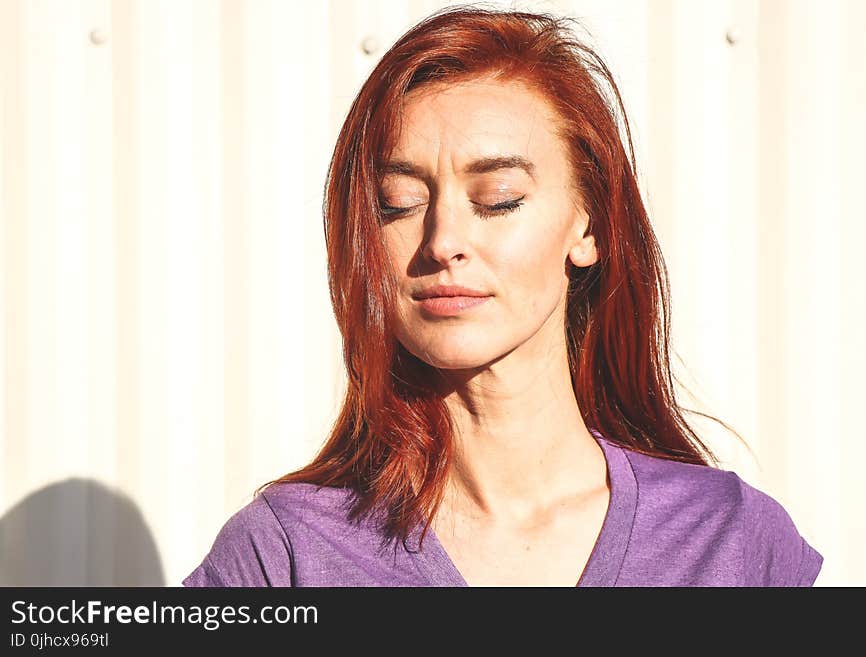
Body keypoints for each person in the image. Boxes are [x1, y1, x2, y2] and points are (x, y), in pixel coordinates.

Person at [183, 5, 823, 587]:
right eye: (397, 204)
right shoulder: (284, 555)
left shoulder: (732, 543)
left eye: (497, 200)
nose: (442, 240)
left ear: (590, 225)